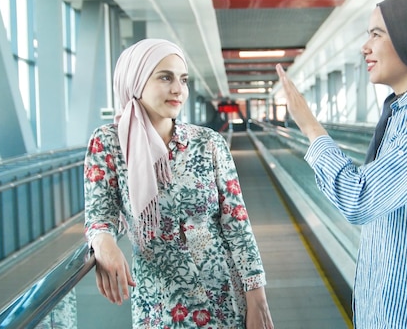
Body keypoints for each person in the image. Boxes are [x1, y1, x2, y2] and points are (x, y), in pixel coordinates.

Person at [275, 0, 407, 328]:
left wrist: (309, 125)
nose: (365, 47)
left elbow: (360, 199)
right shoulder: (405, 111)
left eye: (377, 34)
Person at [83, 38, 274, 329]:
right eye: (165, 77)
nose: (178, 90)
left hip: (223, 295)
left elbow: (237, 224)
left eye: (183, 80)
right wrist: (103, 241)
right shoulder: (109, 142)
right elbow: (99, 215)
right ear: (136, 81)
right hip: (160, 304)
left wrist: (257, 299)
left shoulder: (208, 143)